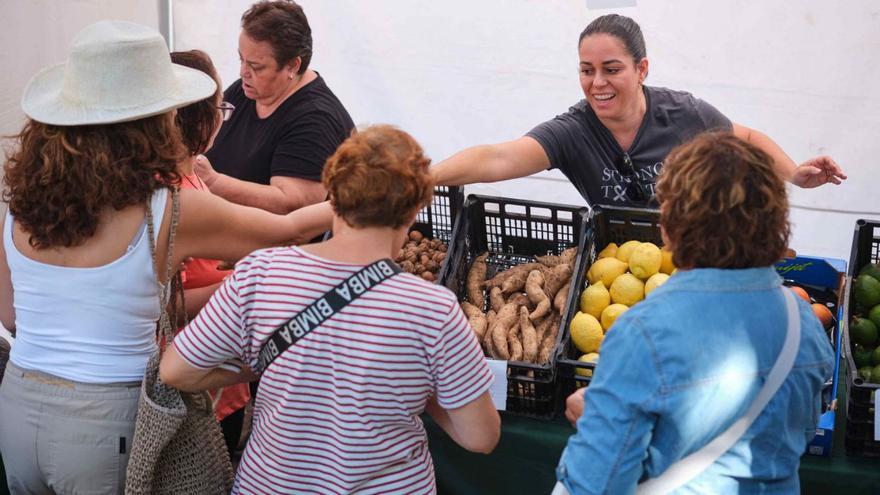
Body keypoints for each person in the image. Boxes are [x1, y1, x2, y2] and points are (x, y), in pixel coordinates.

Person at [0, 21, 332, 493]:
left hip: (18, 403)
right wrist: (374, 198)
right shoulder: (169, 206)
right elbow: (289, 230)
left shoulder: (22, 206)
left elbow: (10, 314)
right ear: (156, 120)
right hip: (107, 419)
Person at [161, 125, 501, 494]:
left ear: (331, 195)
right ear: (415, 209)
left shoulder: (260, 273)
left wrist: (264, 360)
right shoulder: (433, 309)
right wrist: (424, 391)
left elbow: (177, 371)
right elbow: (480, 438)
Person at [555, 132, 834, 494]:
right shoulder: (803, 324)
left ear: (668, 228)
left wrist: (600, 415)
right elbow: (802, 429)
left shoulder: (642, 332)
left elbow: (597, 482)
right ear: (777, 225)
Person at [431, 14, 845, 206]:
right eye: (586, 70)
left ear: (641, 69)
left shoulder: (682, 114)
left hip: (694, 264)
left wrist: (793, 174)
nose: (597, 84)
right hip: (618, 275)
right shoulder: (574, 132)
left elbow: (748, 139)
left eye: (611, 70)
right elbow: (497, 157)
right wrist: (423, 178)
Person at [196, 0, 355, 214]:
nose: (243, 71)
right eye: (241, 59)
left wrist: (213, 182)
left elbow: (293, 202)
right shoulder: (246, 90)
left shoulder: (316, 119)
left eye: (256, 66)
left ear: (292, 65)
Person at [170, 49, 252, 456]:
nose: (223, 116)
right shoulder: (175, 194)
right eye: (221, 106)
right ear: (199, 117)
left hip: (218, 382)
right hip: (191, 392)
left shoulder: (192, 175)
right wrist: (242, 283)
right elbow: (168, 307)